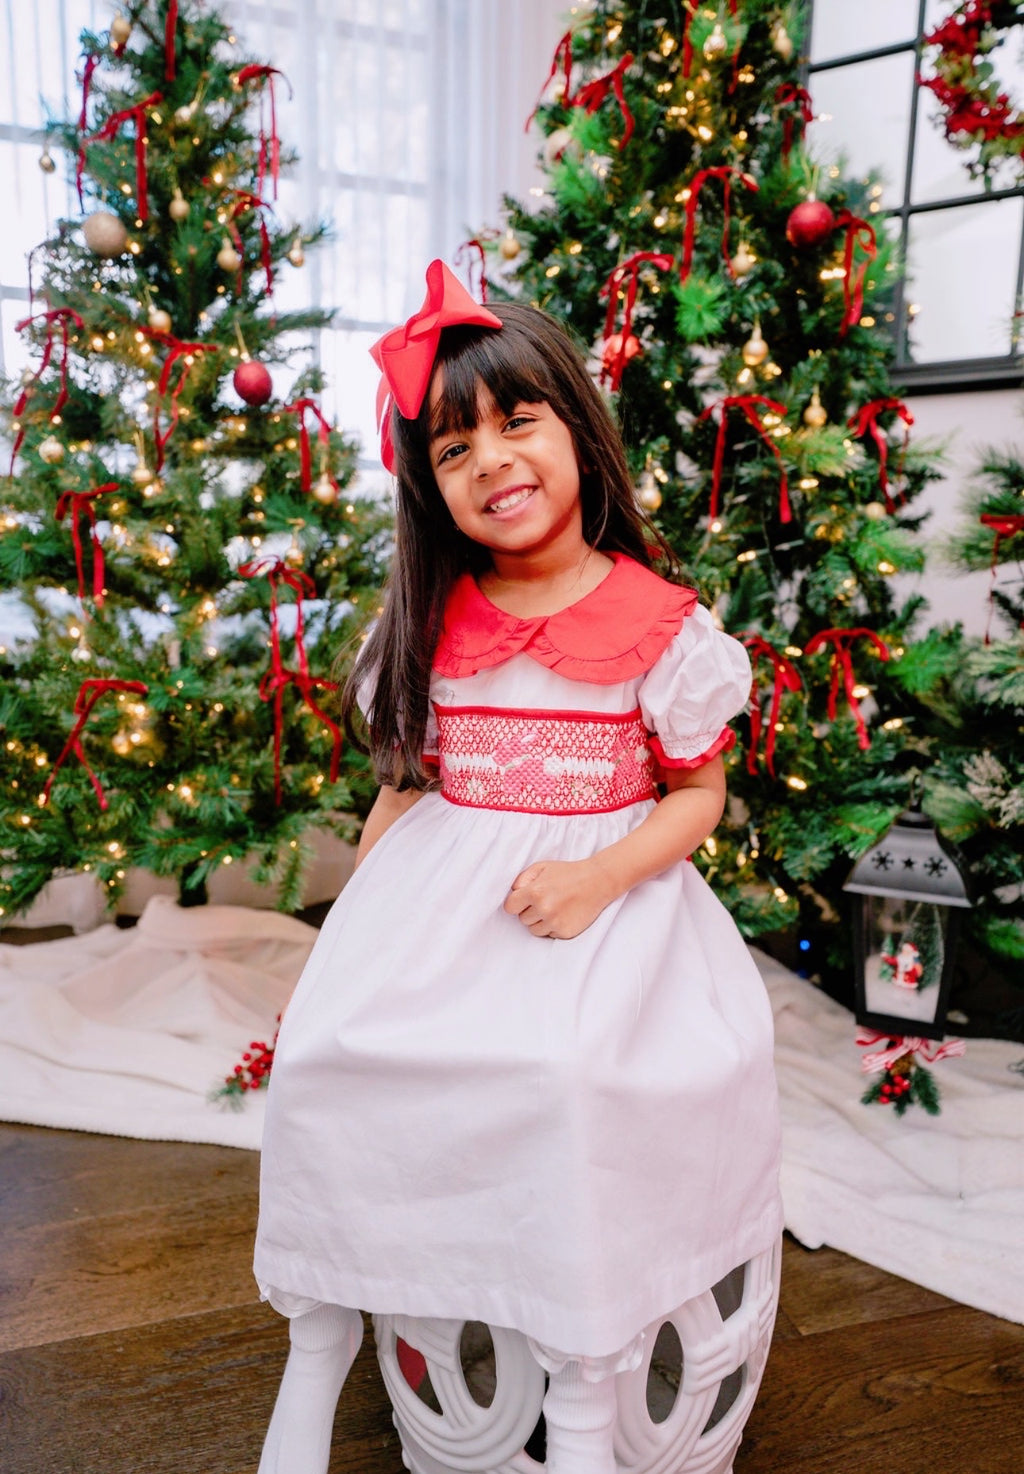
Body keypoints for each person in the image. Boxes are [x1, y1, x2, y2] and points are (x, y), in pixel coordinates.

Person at [253, 259, 782, 1474]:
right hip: (444, 907)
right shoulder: (431, 622)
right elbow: (403, 790)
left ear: (577, 434)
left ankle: (586, 1379)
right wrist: (338, 952)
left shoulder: (658, 623)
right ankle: (321, 1337)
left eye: (515, 422)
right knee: (335, 1055)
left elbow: (698, 793)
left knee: (563, 1077)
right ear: (429, 490)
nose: (490, 460)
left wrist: (600, 877)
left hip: (599, 913)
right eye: (451, 450)